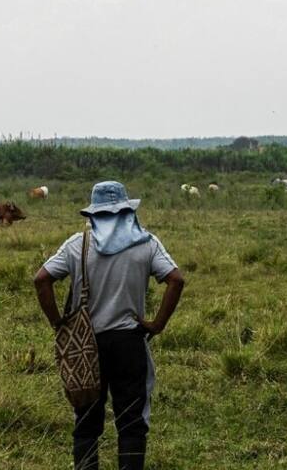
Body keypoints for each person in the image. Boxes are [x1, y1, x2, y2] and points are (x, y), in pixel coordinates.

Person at [33, 181, 185, 470]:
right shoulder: (147, 243)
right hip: (130, 343)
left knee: (87, 421)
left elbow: (42, 279)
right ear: (127, 211)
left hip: (87, 345)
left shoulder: (77, 245)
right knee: (131, 421)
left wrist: (58, 323)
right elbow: (175, 280)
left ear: (93, 214)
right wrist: (157, 324)